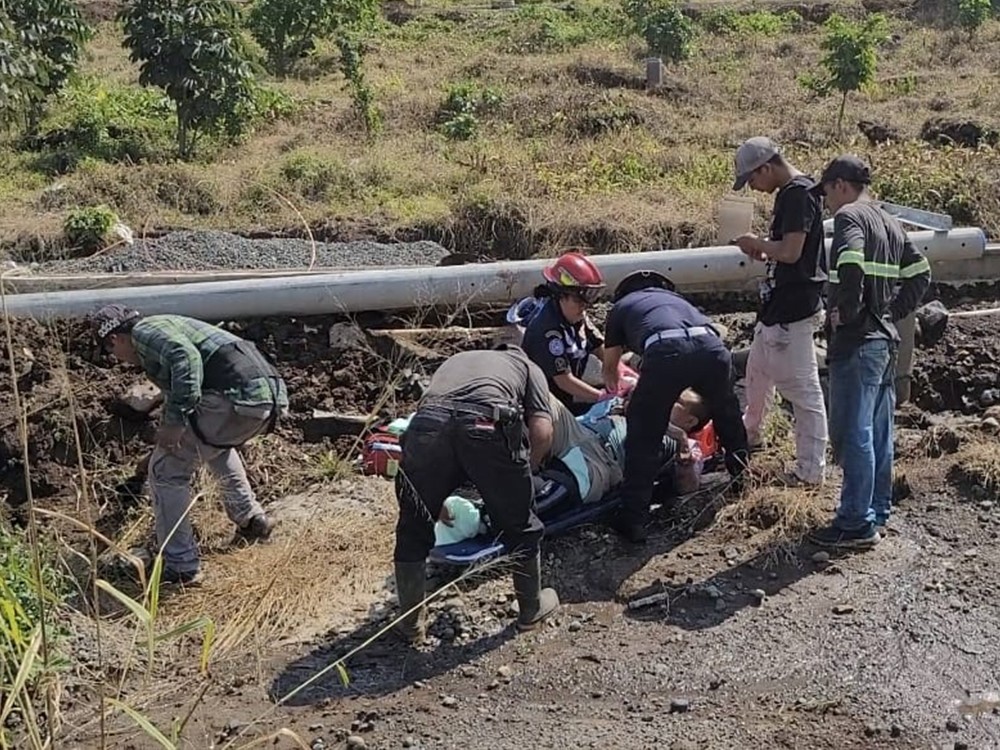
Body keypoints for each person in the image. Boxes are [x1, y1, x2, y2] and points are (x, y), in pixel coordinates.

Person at [89, 304, 287, 584]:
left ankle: (181, 566)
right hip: (263, 397)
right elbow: (189, 398)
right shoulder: (164, 331)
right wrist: (159, 448)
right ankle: (252, 519)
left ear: (114, 339)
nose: (117, 359)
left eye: (110, 352)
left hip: (234, 397)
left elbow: (186, 358)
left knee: (165, 474)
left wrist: (173, 426)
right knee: (214, 447)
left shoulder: (145, 333)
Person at [393, 344, 559, 641]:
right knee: (521, 527)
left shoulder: (456, 360)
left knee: (412, 529)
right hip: (487, 424)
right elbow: (543, 432)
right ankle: (530, 612)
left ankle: (410, 626)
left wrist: (435, 500)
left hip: (426, 427)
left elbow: (436, 424)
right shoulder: (528, 367)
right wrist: (523, 477)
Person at [808, 155, 931, 548]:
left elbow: (851, 259)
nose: (826, 203)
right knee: (879, 430)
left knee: (851, 431)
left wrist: (848, 309)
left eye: (826, 192)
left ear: (840, 185)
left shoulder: (850, 218)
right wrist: (893, 313)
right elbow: (920, 271)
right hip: (884, 340)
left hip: (858, 342)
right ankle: (877, 509)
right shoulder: (889, 221)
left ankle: (855, 522)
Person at [601, 271, 750, 543]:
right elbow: (710, 337)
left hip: (666, 353)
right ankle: (745, 482)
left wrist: (618, 392)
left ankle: (633, 520)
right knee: (728, 418)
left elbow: (610, 367)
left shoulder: (621, 307)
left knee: (644, 435)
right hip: (712, 349)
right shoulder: (678, 302)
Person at [731, 136, 829, 486]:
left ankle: (810, 470)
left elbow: (790, 252)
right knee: (757, 372)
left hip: (793, 307)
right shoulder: (795, 193)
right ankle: (750, 433)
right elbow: (786, 251)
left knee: (803, 392)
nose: (755, 188)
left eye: (753, 180)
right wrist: (765, 250)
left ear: (766, 167)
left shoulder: (797, 194)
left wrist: (757, 243)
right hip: (779, 305)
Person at [520, 252, 609, 415]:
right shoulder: (546, 330)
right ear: (561, 296)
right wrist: (602, 397)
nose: (584, 306)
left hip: (568, 400)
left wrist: (619, 372)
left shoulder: (576, 316)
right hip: (545, 409)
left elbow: (598, 345)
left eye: (587, 301)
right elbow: (564, 380)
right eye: (578, 301)